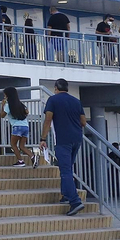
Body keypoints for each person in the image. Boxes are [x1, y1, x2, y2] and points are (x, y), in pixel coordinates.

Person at [39, 77, 86, 216]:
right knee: (68, 168)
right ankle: (65, 194)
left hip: (62, 140)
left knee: (65, 171)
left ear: (55, 88)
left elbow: (48, 120)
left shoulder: (53, 100)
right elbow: (83, 122)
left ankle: (75, 201)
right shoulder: (76, 101)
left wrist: (43, 138)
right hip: (76, 138)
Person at [3, 88, 33, 168]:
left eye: (5, 94)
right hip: (25, 126)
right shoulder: (21, 104)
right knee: (22, 146)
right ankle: (33, 156)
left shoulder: (8, 105)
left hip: (17, 127)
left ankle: (20, 161)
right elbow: (27, 112)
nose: (4, 96)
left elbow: (2, 115)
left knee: (13, 145)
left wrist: (2, 105)